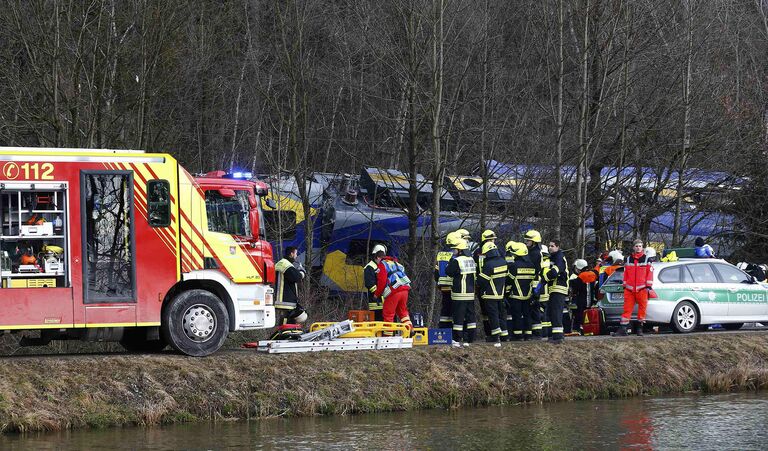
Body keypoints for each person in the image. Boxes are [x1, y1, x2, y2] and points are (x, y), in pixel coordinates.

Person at [614, 239, 653, 336]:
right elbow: (625, 273)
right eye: (636, 246)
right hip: (629, 289)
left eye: (640, 246)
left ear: (642, 247)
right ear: (633, 247)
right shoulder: (628, 259)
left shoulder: (647, 259)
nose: (638, 248)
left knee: (642, 309)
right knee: (627, 309)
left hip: (642, 288)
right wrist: (624, 285)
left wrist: (648, 286)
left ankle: (640, 329)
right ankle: (623, 329)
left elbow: (650, 273)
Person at [445, 237, 477, 347]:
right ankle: (471, 338)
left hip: (459, 293)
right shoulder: (471, 259)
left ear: (460, 250)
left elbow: (448, 272)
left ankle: (457, 339)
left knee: (458, 317)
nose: (454, 251)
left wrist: (450, 261)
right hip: (470, 293)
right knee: (471, 317)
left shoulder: (457, 260)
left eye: (455, 249)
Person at [374, 248, 413, 332]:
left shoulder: (382, 264)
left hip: (394, 291)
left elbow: (382, 281)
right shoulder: (398, 264)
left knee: (388, 314)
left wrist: (377, 294)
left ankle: (388, 338)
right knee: (403, 312)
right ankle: (410, 330)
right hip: (405, 290)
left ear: (378, 258)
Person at [477, 241, 508, 347]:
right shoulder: (503, 262)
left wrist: (476, 281)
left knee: (493, 315)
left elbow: (482, 281)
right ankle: (504, 335)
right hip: (500, 294)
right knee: (500, 315)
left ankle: (495, 336)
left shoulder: (488, 264)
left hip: (490, 294)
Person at [505, 241, 537, 340]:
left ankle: (517, 335)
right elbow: (534, 281)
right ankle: (528, 335)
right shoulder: (531, 265)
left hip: (515, 295)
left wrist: (506, 293)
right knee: (527, 315)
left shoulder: (514, 266)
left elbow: (509, 280)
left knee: (517, 315)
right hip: (528, 295)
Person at [545, 240, 569, 344]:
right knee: (551, 312)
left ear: (558, 247)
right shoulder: (553, 257)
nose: (550, 248)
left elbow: (555, 272)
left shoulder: (559, 256)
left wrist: (544, 278)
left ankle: (558, 337)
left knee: (556, 312)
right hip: (553, 288)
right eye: (549, 246)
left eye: (552, 246)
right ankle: (554, 336)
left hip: (559, 288)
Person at [274, 246, 306, 325]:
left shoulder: (282, 263)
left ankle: (284, 334)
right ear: (291, 254)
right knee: (287, 320)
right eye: (295, 254)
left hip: (283, 299)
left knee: (288, 319)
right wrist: (302, 271)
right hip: (286, 300)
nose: (296, 256)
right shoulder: (285, 264)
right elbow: (297, 277)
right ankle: (283, 335)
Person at [475, 229, 498, 340]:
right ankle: (488, 334)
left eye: (493, 239)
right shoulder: (477, 252)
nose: (492, 241)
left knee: (494, 311)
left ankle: (495, 334)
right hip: (481, 284)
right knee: (485, 311)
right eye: (490, 239)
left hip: (494, 284)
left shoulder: (497, 251)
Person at [435, 232, 460, 329]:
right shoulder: (456, 255)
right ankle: (455, 332)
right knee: (455, 309)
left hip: (443, 286)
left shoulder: (440, 254)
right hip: (453, 286)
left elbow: (436, 272)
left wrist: (438, 283)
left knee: (445, 309)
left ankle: (443, 330)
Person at [523, 230, 543, 337]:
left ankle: (537, 333)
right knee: (531, 309)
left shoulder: (535, 253)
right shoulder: (531, 251)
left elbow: (533, 269)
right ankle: (532, 333)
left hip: (535, 283)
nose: (526, 241)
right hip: (532, 283)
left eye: (528, 240)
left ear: (534, 242)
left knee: (534, 308)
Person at [569, 259, 598, 334]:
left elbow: (575, 288)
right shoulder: (593, 274)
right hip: (590, 300)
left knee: (579, 316)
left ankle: (577, 329)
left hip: (581, 300)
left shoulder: (581, 276)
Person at [364, 244, 386, 321]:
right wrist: (378, 293)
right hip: (376, 301)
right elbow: (369, 284)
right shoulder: (370, 267)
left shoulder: (382, 266)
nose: (383, 260)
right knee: (378, 321)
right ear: (377, 256)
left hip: (385, 300)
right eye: (381, 257)